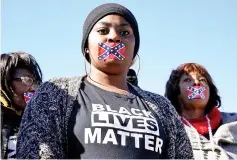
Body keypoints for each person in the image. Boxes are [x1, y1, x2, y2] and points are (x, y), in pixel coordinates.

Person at [16, 3, 193, 159]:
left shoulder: (162, 107)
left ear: (134, 51)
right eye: (102, 31)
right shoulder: (55, 94)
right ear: (86, 47)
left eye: (125, 32)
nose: (114, 37)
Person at [165, 62, 237, 159]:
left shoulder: (233, 122)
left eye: (202, 79)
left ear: (210, 90)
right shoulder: (166, 129)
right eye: (187, 80)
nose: (196, 83)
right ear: (176, 91)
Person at [1, 51, 43, 159]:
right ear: (7, 79)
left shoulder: (36, 117)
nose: (34, 88)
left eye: (36, 82)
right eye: (28, 80)